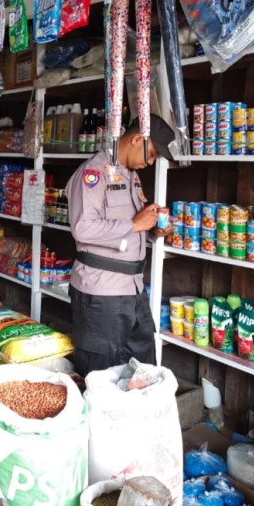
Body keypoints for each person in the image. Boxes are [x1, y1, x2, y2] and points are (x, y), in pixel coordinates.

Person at [66, 115, 176, 377]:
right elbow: (82, 227)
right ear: (137, 139)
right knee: (102, 373)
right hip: (102, 293)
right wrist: (135, 224)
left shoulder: (130, 176)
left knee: (143, 369)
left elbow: (129, 231)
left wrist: (154, 230)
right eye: (150, 155)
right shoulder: (93, 173)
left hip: (133, 289)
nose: (149, 163)